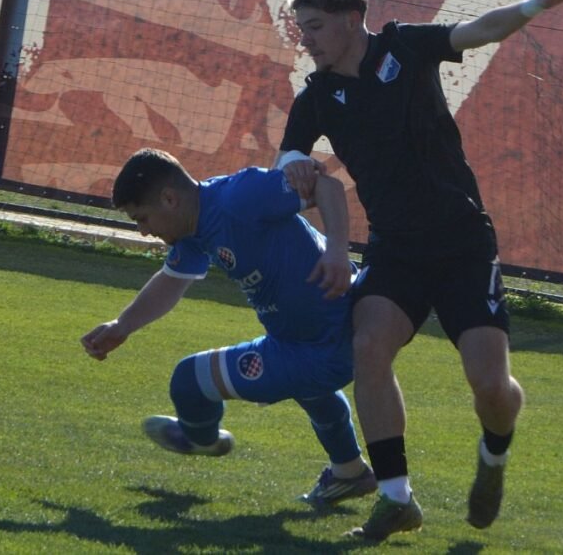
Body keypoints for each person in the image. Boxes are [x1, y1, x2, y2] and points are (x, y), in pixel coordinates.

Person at [275, 0, 563, 540]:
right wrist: (294, 167)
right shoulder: (317, 97)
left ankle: (494, 454)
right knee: (368, 346)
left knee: (490, 386)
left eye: (316, 26)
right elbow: (287, 160)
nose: (307, 39)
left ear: (351, 19)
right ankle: (396, 497)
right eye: (302, 28)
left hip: (462, 244)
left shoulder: (405, 46)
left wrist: (536, 3)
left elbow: (481, 29)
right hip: (395, 249)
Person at [81, 147, 375, 507]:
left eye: (142, 218)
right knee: (312, 391)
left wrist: (337, 252)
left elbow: (327, 186)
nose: (143, 232)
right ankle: (349, 471)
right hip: (303, 339)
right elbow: (171, 281)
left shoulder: (239, 196)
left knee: (188, 380)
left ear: (169, 199)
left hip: (323, 343)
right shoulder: (192, 230)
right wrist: (122, 325)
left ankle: (203, 440)